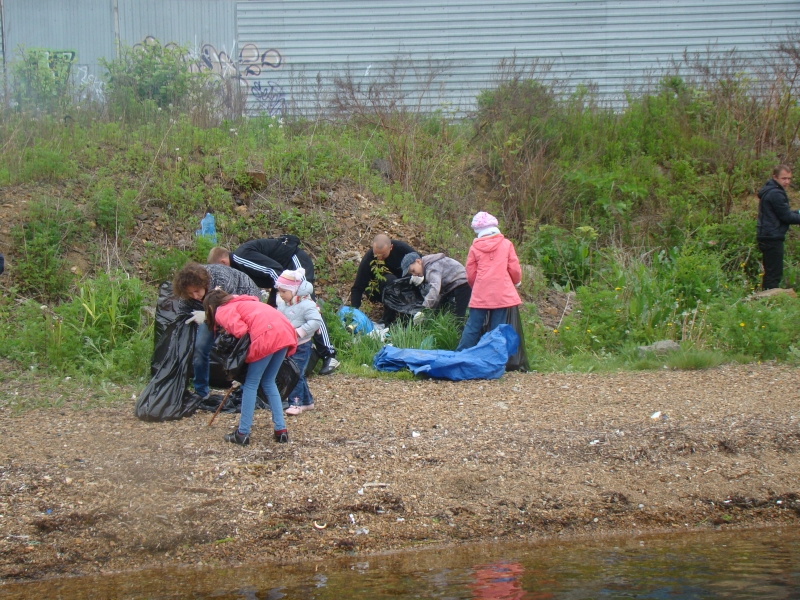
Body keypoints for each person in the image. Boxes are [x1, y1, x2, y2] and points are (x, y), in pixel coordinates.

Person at [208, 237, 339, 375]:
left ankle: (329, 355)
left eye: (220, 270)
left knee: (308, 304)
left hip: (293, 265)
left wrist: (286, 291)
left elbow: (273, 270)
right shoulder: (236, 268)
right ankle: (282, 353)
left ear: (223, 262)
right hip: (281, 278)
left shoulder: (241, 257)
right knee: (273, 313)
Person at [203, 289, 297, 445]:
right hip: (285, 332)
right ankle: (281, 430)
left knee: (251, 383)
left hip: (266, 335)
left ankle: (243, 433)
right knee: (268, 381)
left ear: (211, 308)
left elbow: (240, 331)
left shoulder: (222, 310)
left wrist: (238, 367)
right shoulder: (245, 302)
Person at [172, 262, 263, 403]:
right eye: (190, 293)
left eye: (197, 291)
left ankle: (246, 388)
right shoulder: (189, 295)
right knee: (200, 347)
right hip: (211, 311)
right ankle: (201, 392)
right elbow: (181, 315)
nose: (195, 296)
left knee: (241, 347)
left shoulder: (221, 278)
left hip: (242, 303)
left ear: (204, 284)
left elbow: (229, 308)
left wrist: (207, 315)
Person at [456, 212, 522, 351]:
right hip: (502, 291)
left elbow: (470, 273)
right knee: (497, 329)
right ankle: (494, 359)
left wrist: (477, 286)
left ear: (477, 230)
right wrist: (516, 281)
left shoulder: (474, 248)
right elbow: (514, 268)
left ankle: (461, 356)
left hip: (481, 292)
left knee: (473, 326)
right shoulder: (506, 244)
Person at [275, 268, 324, 415]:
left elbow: (316, 321)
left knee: (293, 374)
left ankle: (295, 403)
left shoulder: (306, 304)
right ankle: (307, 402)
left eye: (284, 291)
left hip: (302, 345)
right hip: (288, 344)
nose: (281, 295)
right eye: (279, 291)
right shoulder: (284, 304)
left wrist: (298, 332)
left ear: (294, 290)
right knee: (298, 373)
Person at [350, 234, 416, 325]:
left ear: (391, 247)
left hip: (406, 286)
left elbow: (421, 262)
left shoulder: (402, 249)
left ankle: (409, 314)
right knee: (389, 280)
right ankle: (388, 319)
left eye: (383, 255)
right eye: (376, 254)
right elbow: (358, 287)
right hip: (381, 289)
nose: (379, 258)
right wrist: (353, 312)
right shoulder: (368, 258)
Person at [757, 165, 800, 290]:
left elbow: (782, 212)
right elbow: (786, 217)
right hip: (772, 236)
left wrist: (797, 213)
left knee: (771, 272)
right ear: (775, 177)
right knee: (774, 274)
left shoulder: (770, 191)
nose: (786, 182)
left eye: (789, 178)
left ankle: (765, 299)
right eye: (784, 178)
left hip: (767, 235)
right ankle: (769, 301)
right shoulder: (776, 193)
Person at [400, 252, 471, 323]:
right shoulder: (428, 265)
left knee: (457, 317)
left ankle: (459, 332)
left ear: (418, 261)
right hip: (454, 285)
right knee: (443, 310)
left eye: (413, 270)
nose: (414, 274)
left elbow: (435, 289)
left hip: (461, 284)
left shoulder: (431, 268)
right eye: (411, 273)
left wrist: (423, 310)